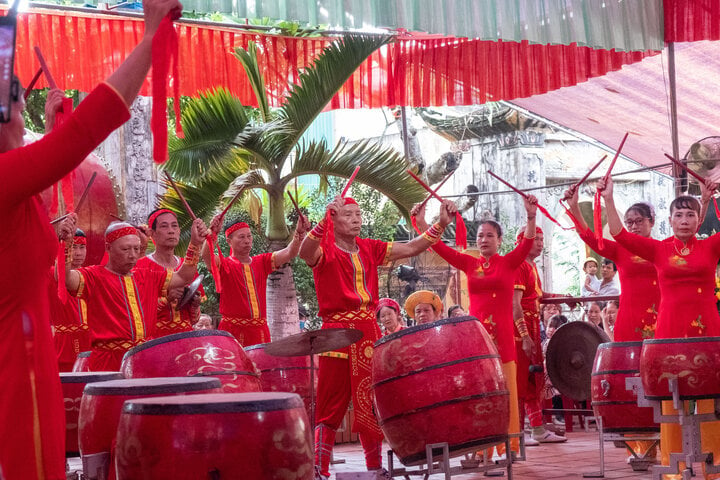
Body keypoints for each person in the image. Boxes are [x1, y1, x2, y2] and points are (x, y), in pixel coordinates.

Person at [0, 0, 182, 476]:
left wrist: (52, 128)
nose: (22, 115)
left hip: (26, 359)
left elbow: (51, 160)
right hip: (14, 368)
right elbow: (86, 130)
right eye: (17, 106)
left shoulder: (13, 189)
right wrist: (149, 39)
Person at [299, 195, 454, 480]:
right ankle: (318, 471)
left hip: (367, 333)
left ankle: (373, 467)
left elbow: (411, 247)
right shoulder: (325, 250)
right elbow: (304, 252)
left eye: (358, 214)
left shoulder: (370, 248)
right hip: (335, 334)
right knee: (330, 406)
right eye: (349, 215)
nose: (357, 219)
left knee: (368, 401)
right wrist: (321, 223)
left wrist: (440, 224)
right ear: (333, 218)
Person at [600, 175, 720, 478]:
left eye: (690, 214)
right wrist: (609, 198)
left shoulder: (710, 247)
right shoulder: (658, 250)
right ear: (669, 220)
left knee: (709, 401)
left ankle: (713, 465)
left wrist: (713, 198)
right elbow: (619, 234)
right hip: (667, 333)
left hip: (707, 333)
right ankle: (673, 468)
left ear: (698, 220)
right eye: (678, 214)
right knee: (671, 402)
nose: (684, 220)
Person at [413, 195, 538, 458]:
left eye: (490, 235)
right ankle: (483, 449)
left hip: (504, 337)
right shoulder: (470, 264)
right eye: (480, 235)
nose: (483, 240)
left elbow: (527, 243)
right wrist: (422, 221)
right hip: (478, 339)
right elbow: (439, 248)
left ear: (500, 240)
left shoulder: (510, 262)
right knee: (482, 395)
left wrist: (530, 216)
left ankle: (511, 446)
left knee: (507, 393)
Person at [64, 219, 208, 370]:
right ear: (108, 248)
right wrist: (66, 245)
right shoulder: (93, 277)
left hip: (145, 357)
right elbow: (66, 278)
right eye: (126, 249)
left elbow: (182, 277)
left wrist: (195, 244)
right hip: (109, 361)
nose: (133, 255)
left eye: (136, 249)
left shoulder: (148, 276)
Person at [564, 187, 660, 340]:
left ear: (652, 221)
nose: (634, 227)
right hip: (630, 315)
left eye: (639, 221)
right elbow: (589, 237)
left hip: (659, 314)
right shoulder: (619, 250)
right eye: (629, 223)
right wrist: (574, 206)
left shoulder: (662, 248)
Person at [203, 215, 310, 346]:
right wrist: (213, 233)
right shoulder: (225, 265)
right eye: (241, 237)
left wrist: (299, 233)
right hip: (232, 331)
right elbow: (207, 256)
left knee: (262, 366)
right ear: (229, 241)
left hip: (260, 331)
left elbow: (290, 252)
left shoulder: (262, 261)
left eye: (249, 236)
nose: (247, 240)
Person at [512, 227, 567, 445]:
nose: (540, 243)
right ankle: (516, 433)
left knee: (532, 379)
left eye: (543, 239)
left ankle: (537, 429)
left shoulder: (531, 266)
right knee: (519, 379)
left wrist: (563, 297)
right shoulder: (518, 265)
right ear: (522, 241)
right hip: (520, 330)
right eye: (536, 239)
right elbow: (514, 305)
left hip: (533, 328)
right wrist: (524, 336)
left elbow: (539, 296)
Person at [135, 208, 204, 336]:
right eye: (164, 226)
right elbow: (137, 315)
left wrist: (194, 305)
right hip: (155, 341)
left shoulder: (188, 265)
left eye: (174, 226)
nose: (171, 231)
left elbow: (194, 320)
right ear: (153, 233)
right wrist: (166, 300)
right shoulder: (141, 266)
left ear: (179, 231)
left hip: (186, 338)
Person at [51, 228, 91, 372]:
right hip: (63, 345)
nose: (79, 253)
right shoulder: (51, 275)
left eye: (82, 247)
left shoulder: (90, 275)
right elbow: (60, 275)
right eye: (74, 247)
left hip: (90, 342)